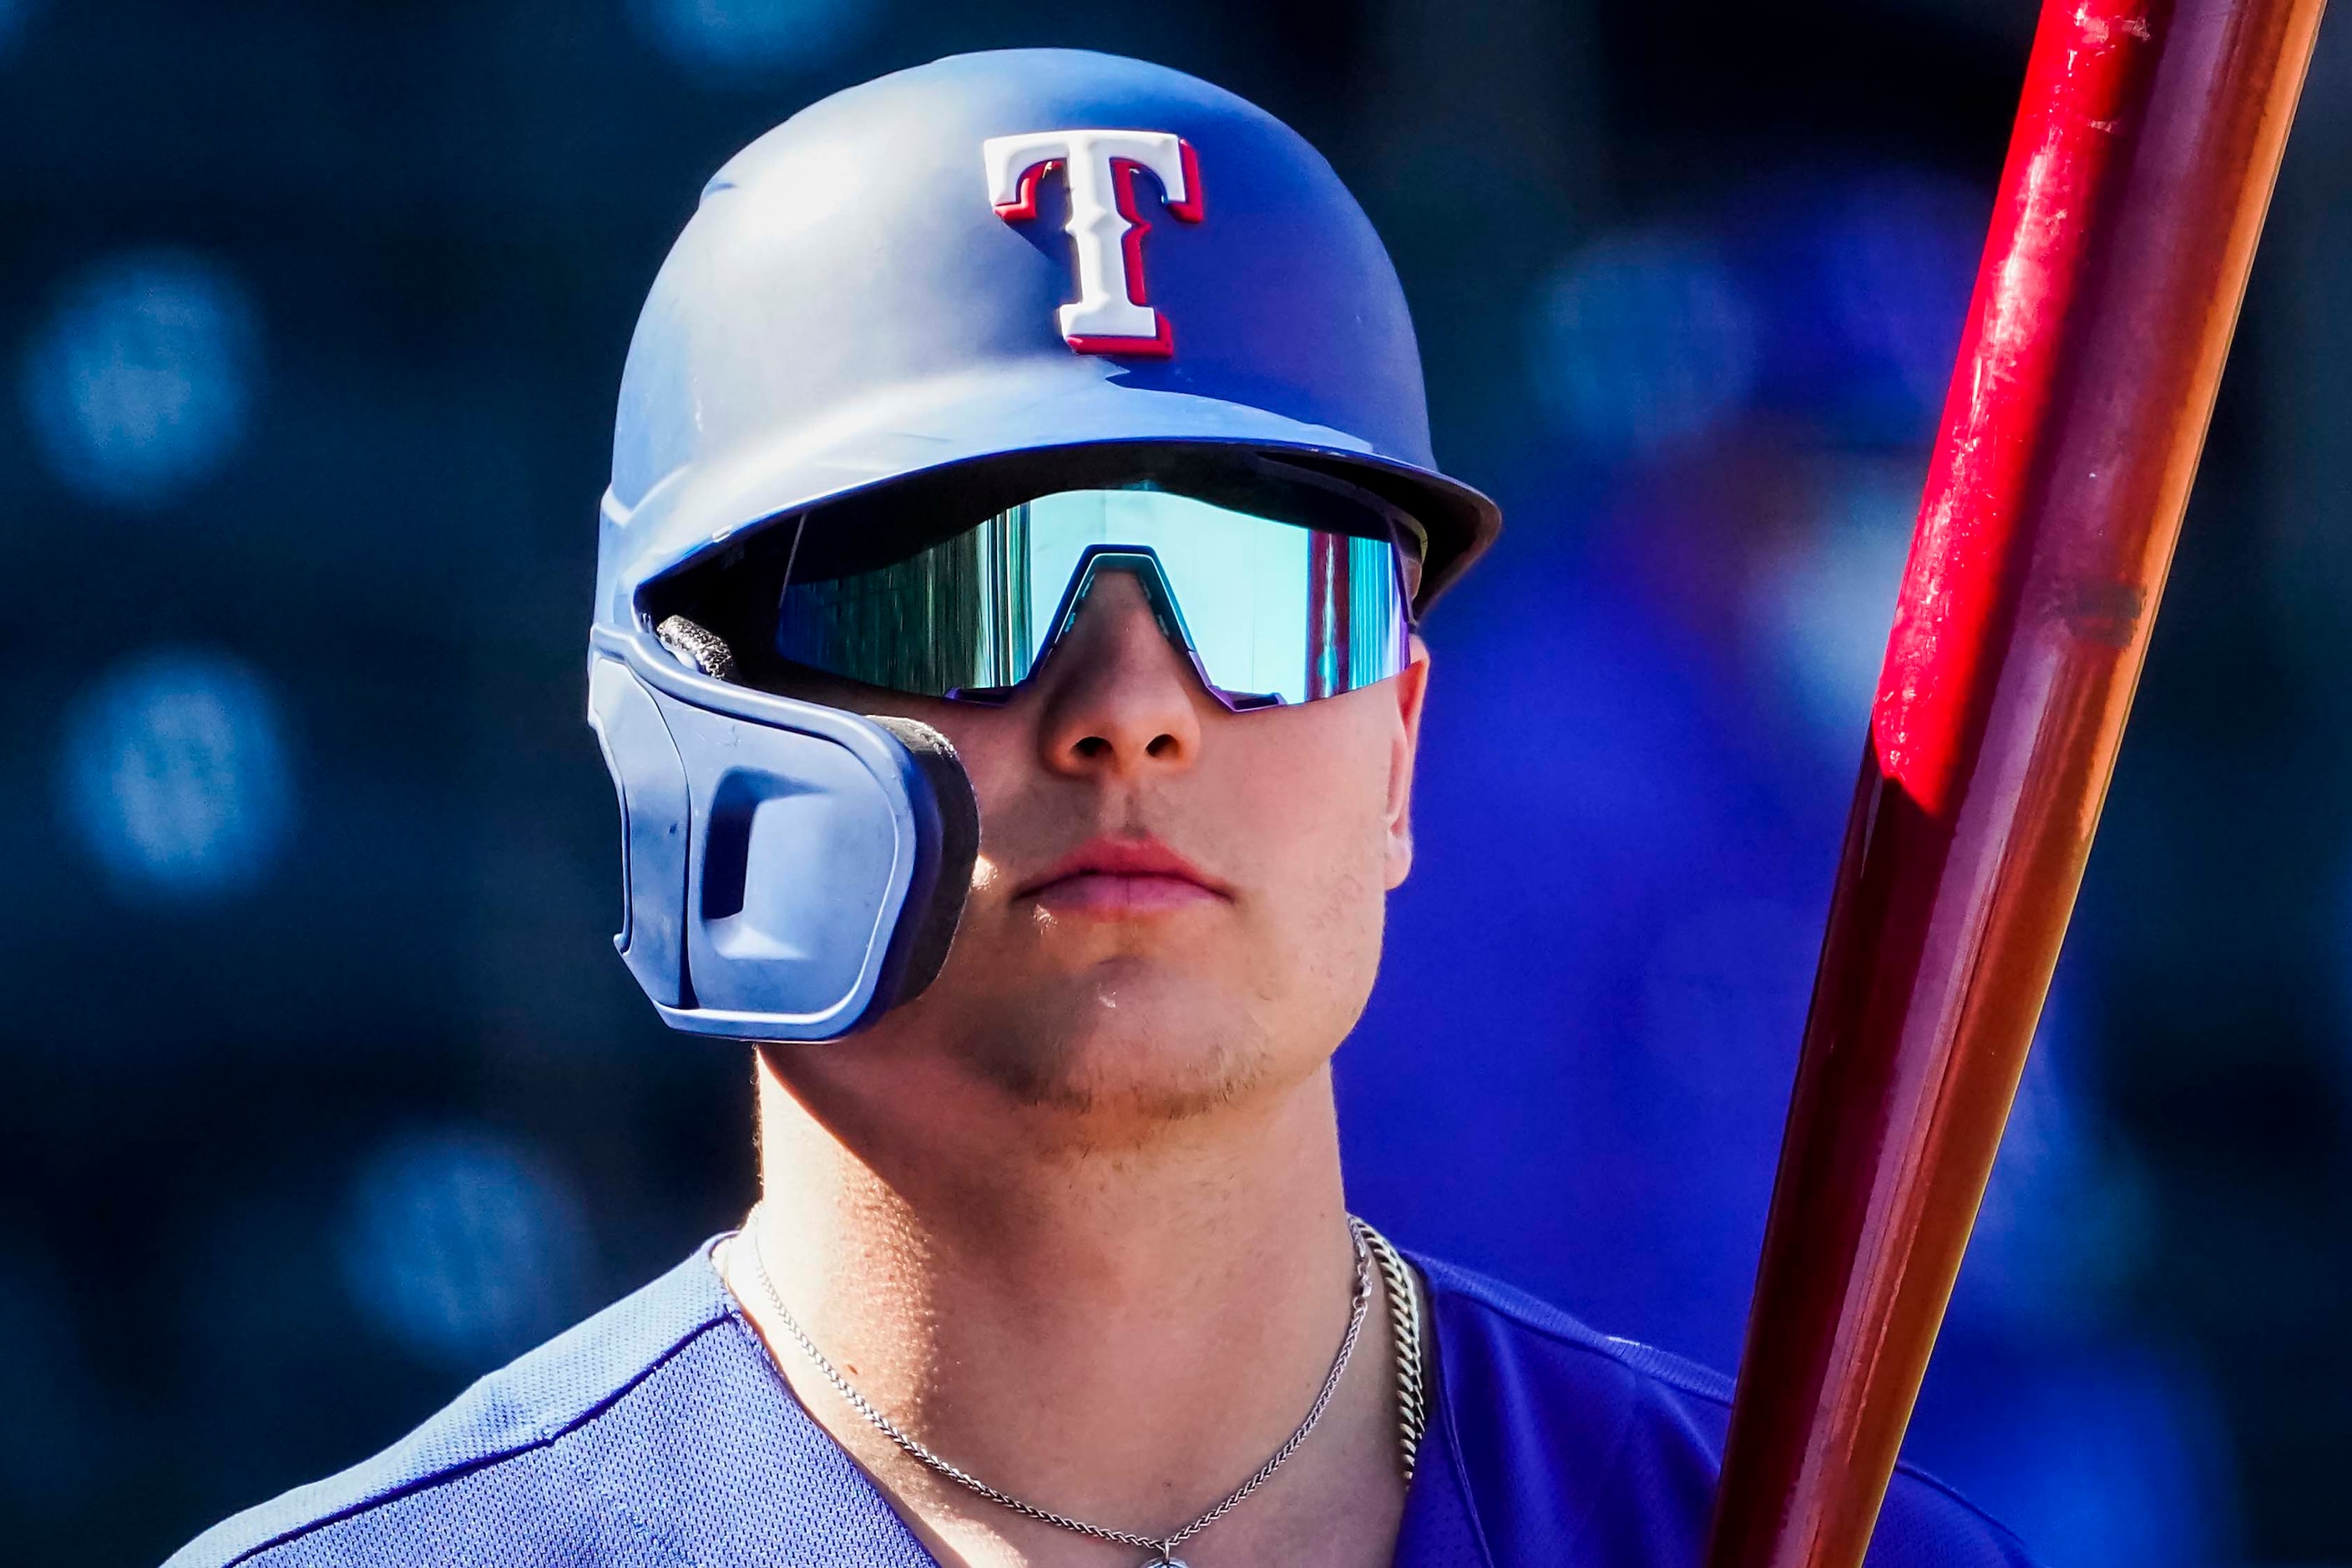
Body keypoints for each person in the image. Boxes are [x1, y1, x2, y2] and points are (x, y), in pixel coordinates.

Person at [169, 48, 2035, 1568]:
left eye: (1264, 580)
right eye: (966, 580)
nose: (1133, 710)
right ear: (688, 727)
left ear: (1394, 745)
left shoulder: (1799, 1546)